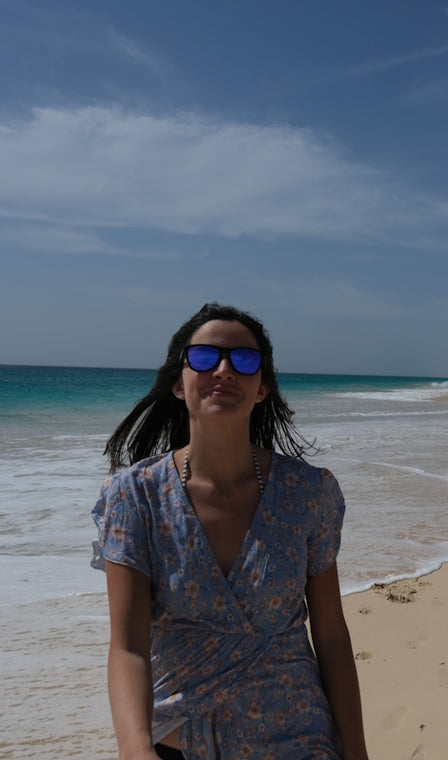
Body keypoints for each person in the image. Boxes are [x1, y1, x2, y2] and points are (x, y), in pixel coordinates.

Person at [91, 303, 369, 760]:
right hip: (181, 742)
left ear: (262, 388)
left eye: (244, 360)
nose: (223, 370)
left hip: (300, 741)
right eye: (204, 357)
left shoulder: (308, 493)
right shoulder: (134, 496)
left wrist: (356, 753)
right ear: (179, 383)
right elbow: (128, 647)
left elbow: (333, 636)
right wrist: (134, 748)